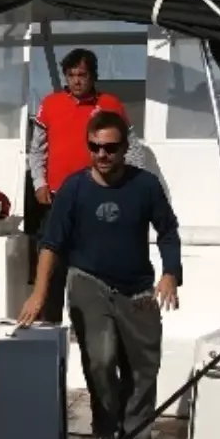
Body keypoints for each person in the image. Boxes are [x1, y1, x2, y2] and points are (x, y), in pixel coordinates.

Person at [18, 111, 181, 439]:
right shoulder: (74, 188)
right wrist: (39, 294)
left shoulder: (146, 186)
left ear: (125, 148)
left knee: (143, 368)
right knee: (101, 360)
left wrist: (171, 273)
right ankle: (107, 434)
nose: (103, 155)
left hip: (137, 288)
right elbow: (51, 243)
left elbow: (168, 231)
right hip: (88, 281)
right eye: (95, 147)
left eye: (110, 147)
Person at [28, 48, 131, 323]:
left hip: (97, 199)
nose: (76, 80)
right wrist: (39, 183)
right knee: (51, 264)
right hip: (57, 199)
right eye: (71, 75)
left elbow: (130, 150)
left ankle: (87, 327)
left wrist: (126, 189)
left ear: (93, 76)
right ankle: (48, 325)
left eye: (82, 75)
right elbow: (37, 150)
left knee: (90, 268)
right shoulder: (50, 104)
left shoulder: (111, 104)